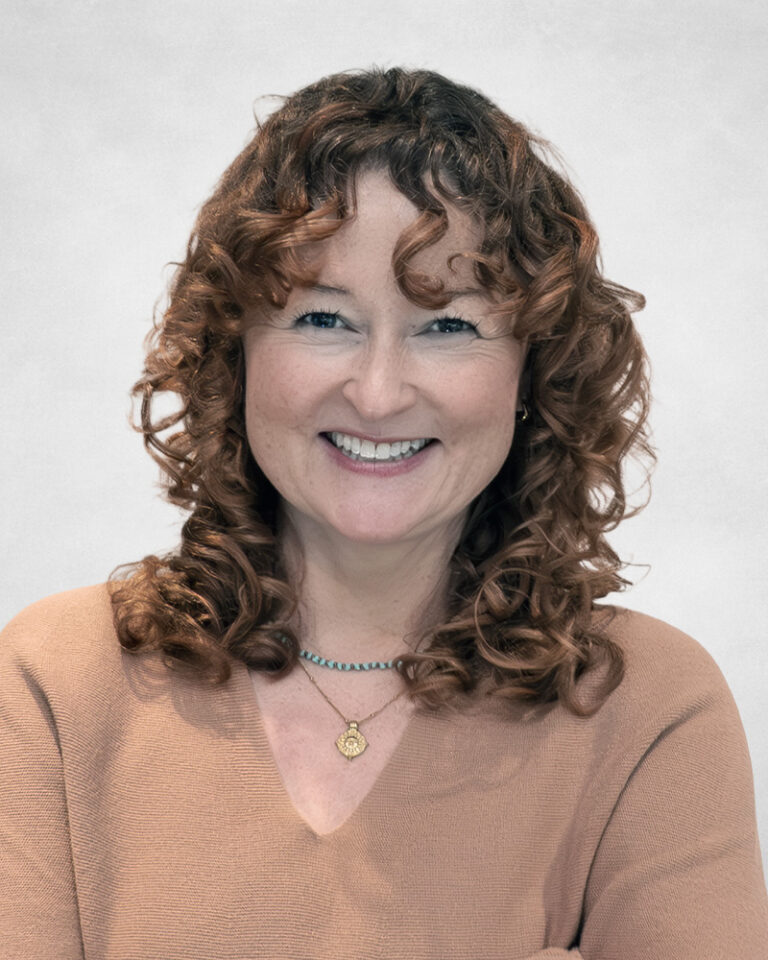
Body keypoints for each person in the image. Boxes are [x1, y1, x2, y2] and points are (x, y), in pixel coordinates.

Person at [1, 67, 766, 960]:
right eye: (324, 319)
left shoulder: (646, 710)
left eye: (448, 327)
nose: (376, 391)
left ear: (535, 375)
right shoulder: (54, 686)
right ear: (233, 353)